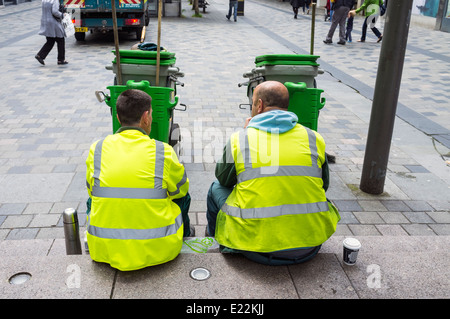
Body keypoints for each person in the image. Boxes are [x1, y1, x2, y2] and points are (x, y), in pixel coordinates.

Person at [206, 81, 340, 266]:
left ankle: (219, 240)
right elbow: (323, 186)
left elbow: (223, 179)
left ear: (259, 105)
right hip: (311, 244)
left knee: (216, 188)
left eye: (252, 103)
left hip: (254, 247)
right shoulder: (313, 137)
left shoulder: (240, 138)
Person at [85, 89, 192, 271]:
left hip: (103, 250)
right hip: (160, 249)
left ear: (118, 117)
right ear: (146, 117)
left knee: (92, 199)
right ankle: (185, 236)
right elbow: (180, 190)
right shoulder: (163, 151)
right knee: (183, 198)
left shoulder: (98, 148)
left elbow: (91, 190)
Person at [35, 0, 68, 65]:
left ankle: (40, 55)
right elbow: (55, 12)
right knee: (60, 40)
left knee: (50, 41)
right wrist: (62, 15)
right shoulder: (55, 1)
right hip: (53, 22)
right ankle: (61, 60)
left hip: (45, 21)